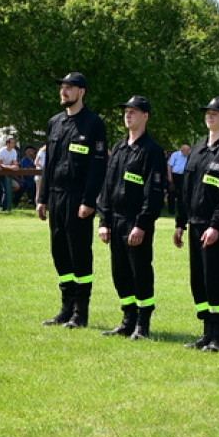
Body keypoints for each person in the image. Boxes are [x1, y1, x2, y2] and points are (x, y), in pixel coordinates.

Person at [174, 97, 219, 351]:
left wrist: (216, 224)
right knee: (199, 281)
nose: (210, 116)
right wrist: (180, 222)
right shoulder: (197, 150)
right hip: (194, 224)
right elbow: (186, 189)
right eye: (208, 112)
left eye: (216, 113)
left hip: (215, 229)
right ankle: (206, 332)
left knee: (216, 280)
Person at [37, 72, 108, 328]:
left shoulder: (93, 124)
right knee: (59, 251)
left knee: (79, 252)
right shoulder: (55, 122)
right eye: (62, 88)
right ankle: (65, 308)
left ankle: (80, 312)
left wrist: (89, 201)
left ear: (82, 92)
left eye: (70, 88)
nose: (64, 92)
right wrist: (42, 197)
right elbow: (49, 164)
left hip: (79, 198)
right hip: (55, 195)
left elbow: (97, 167)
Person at [96, 96, 166, 340]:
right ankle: (127, 320)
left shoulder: (152, 151)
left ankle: (143, 324)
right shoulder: (119, 147)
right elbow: (107, 185)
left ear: (145, 116)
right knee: (120, 272)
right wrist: (103, 221)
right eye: (126, 111)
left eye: (134, 112)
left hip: (135, 222)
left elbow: (154, 192)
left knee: (140, 271)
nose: (128, 115)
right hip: (115, 220)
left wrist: (142, 224)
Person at [0, 136, 19, 210]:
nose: (14, 144)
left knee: (7, 189)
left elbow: (14, 162)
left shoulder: (14, 151)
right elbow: (0, 164)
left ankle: (4, 207)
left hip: (6, 172)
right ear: (7, 143)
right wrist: (11, 167)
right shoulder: (1, 151)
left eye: (14, 143)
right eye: (12, 143)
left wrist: (15, 166)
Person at [167, 144, 190, 217]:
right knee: (171, 194)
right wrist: (170, 177)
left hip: (184, 176)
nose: (188, 152)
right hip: (175, 175)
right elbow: (169, 165)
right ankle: (171, 210)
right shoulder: (175, 155)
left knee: (182, 195)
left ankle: (181, 210)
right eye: (187, 151)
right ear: (182, 150)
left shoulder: (189, 156)